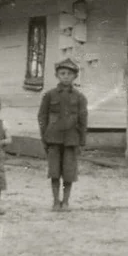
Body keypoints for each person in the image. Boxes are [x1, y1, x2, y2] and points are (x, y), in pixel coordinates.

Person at [38, 58, 88, 211]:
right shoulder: (49, 95)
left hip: (71, 140)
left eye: (69, 74)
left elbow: (83, 120)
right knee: (54, 171)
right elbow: (42, 117)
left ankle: (65, 202)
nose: (66, 76)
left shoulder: (80, 98)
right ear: (57, 75)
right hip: (53, 139)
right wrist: (45, 137)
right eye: (62, 73)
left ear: (75, 77)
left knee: (69, 172)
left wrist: (82, 142)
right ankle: (55, 201)